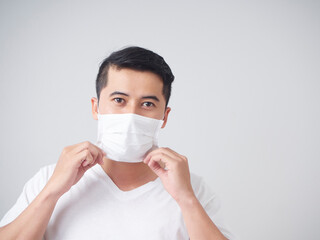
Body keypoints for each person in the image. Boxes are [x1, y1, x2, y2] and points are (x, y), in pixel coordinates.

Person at [0, 46, 235, 240]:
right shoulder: (48, 179)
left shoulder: (194, 189)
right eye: (119, 100)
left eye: (147, 104)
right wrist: (52, 192)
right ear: (96, 107)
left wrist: (186, 199)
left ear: (165, 116)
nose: (131, 114)